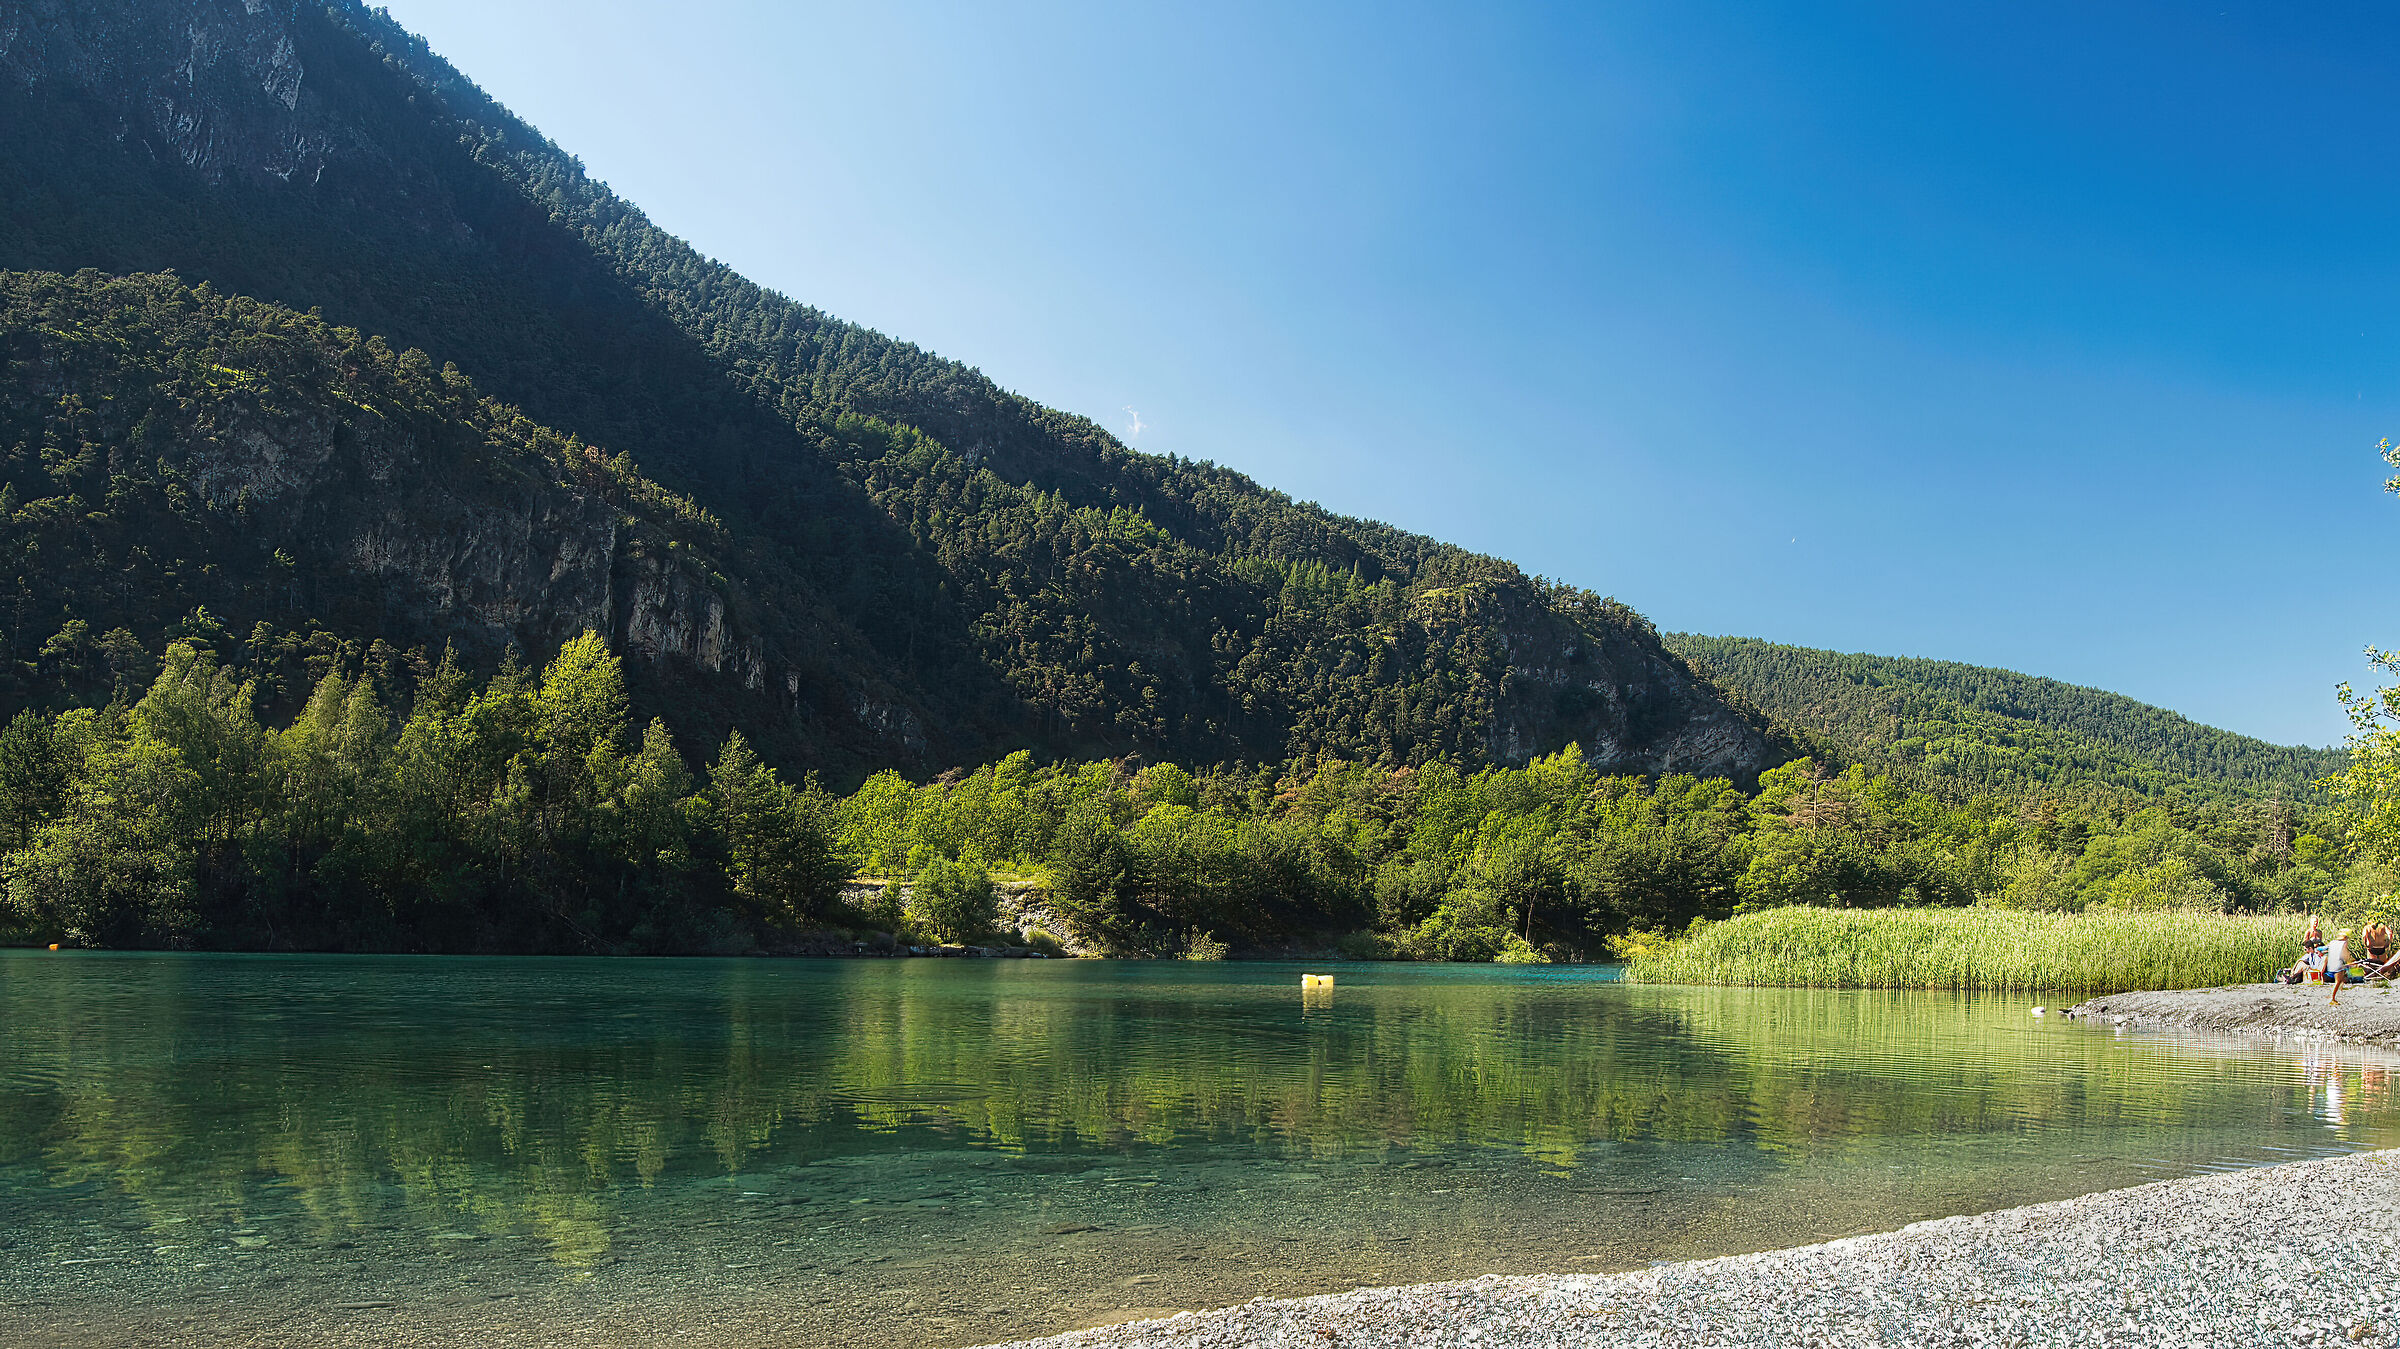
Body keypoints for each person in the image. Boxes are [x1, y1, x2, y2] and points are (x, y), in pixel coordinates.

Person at [2331, 928, 2356, 1005]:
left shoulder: (2333, 942)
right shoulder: (2343, 944)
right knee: (2338, 981)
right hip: (2338, 964)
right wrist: (2351, 961)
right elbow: (2345, 954)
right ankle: (2332, 998)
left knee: (2340, 979)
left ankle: (2338, 993)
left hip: (2332, 963)